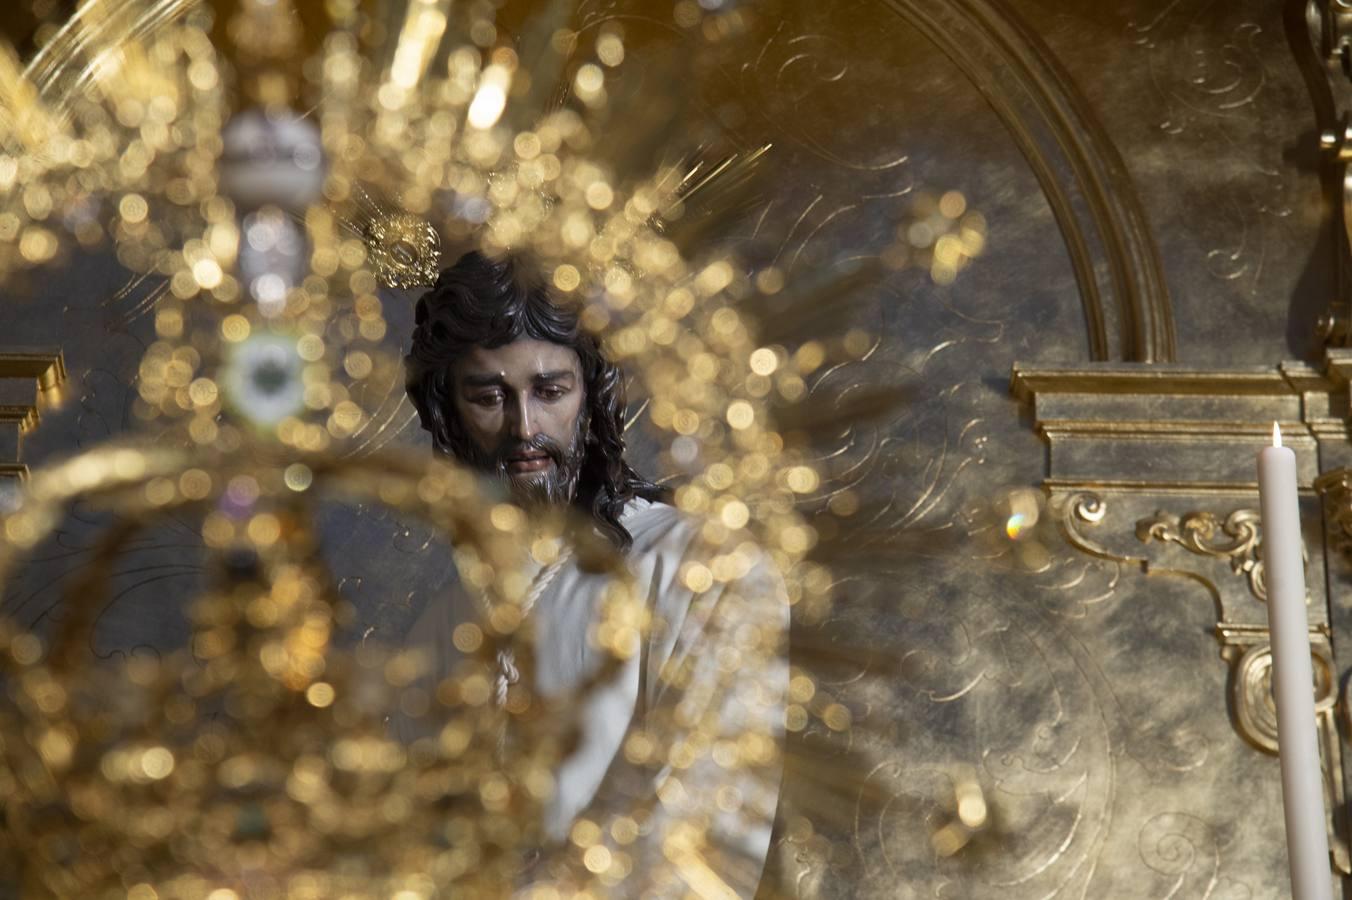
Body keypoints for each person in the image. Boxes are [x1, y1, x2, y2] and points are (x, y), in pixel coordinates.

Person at [400, 251, 788, 897]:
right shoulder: (446, 619)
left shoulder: (700, 566)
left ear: (595, 394)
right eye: (489, 396)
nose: (526, 428)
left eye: (550, 391)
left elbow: (708, 833)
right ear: (448, 410)